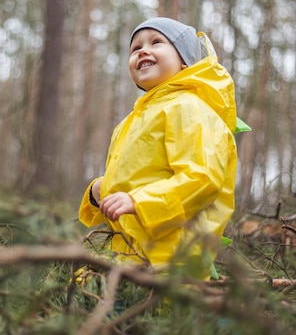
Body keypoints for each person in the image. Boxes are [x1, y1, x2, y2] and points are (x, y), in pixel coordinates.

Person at [78, 17, 240, 279]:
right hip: (127, 256)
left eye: (157, 42)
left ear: (184, 62)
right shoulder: (129, 122)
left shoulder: (189, 108)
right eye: (135, 48)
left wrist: (138, 200)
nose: (143, 50)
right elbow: (132, 183)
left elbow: (202, 178)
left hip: (171, 260)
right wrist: (99, 191)